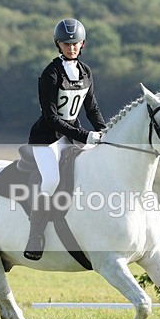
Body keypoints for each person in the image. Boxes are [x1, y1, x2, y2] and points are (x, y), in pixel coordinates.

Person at [23, 18, 107, 261]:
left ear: (83, 44)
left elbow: (91, 108)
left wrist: (104, 131)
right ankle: (35, 235)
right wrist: (87, 135)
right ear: (58, 45)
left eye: (75, 44)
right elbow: (51, 118)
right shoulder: (50, 74)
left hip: (72, 136)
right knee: (51, 180)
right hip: (47, 139)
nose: (71, 48)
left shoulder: (85, 72)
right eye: (66, 44)